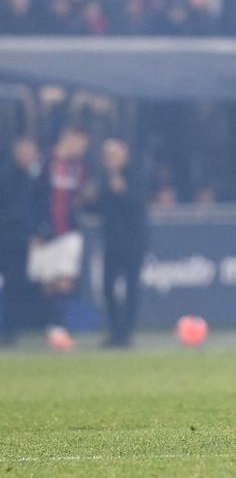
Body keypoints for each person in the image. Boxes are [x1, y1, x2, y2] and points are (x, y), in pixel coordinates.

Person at [29, 127, 89, 352]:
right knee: (46, 283)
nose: (80, 150)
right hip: (44, 231)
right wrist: (35, 228)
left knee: (65, 279)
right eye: (78, 144)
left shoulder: (79, 167)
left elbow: (81, 195)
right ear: (66, 140)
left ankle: (60, 329)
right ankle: (51, 328)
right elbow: (33, 195)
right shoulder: (45, 162)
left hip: (68, 232)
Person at [95, 139, 148, 347]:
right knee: (108, 287)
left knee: (131, 288)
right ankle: (114, 331)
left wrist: (122, 190)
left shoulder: (135, 175)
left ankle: (126, 333)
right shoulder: (101, 179)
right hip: (111, 241)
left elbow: (138, 202)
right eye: (107, 155)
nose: (110, 159)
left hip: (134, 241)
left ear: (124, 155)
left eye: (114, 154)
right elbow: (98, 207)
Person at [0, 138, 41, 346]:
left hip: (19, 240)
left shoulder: (32, 177)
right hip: (6, 237)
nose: (28, 157)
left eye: (31, 152)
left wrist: (34, 232)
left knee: (15, 285)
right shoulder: (5, 175)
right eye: (24, 152)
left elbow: (33, 209)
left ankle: (11, 331)